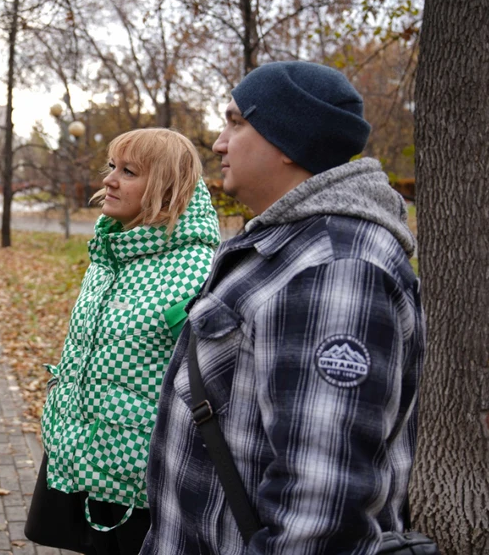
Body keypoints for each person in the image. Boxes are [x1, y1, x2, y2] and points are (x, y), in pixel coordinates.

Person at [141, 61, 425, 554]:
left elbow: (320, 510)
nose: (218, 143)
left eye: (236, 122)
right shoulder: (292, 242)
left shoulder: (335, 266)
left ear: (287, 141)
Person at [25, 128, 221, 555]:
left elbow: (208, 385)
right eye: (111, 167)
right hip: (82, 450)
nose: (109, 180)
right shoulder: (113, 246)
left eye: (128, 171)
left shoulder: (194, 269)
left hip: (137, 478)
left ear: (166, 188)